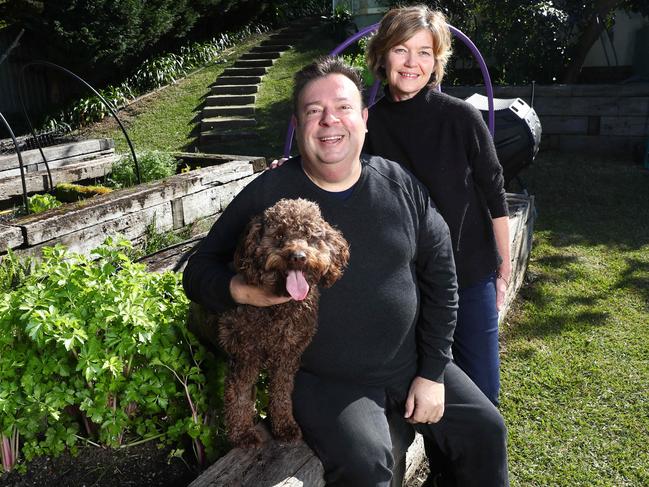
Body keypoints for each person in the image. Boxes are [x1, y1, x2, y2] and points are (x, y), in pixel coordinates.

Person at [183, 56, 508, 487]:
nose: (329, 121)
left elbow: (442, 277)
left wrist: (431, 373)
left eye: (342, 107)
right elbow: (197, 271)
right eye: (313, 111)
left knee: (486, 430)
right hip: (328, 381)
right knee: (366, 464)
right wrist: (242, 291)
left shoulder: (400, 184)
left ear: (364, 119)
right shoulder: (270, 191)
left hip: (410, 360)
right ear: (298, 125)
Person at [364, 5, 510, 407]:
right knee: (424, 390)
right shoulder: (367, 125)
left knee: (481, 393)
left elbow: (494, 192)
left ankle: (477, 466)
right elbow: (332, 167)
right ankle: (442, 465)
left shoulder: (461, 117)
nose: (412, 63)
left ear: (437, 61)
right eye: (401, 50)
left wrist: (505, 263)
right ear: (382, 55)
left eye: (424, 52)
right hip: (406, 283)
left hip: (469, 273)